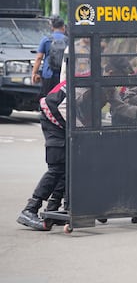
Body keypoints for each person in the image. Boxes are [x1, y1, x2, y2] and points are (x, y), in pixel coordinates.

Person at [17, 81, 67, 230]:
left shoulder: (98, 77)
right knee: (58, 165)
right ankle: (30, 209)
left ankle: (52, 208)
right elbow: (63, 108)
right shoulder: (86, 81)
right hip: (52, 113)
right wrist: (78, 128)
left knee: (69, 163)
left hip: (59, 114)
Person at [31, 17, 67, 98]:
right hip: (63, 75)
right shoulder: (67, 40)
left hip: (48, 74)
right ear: (63, 27)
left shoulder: (46, 39)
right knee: (61, 98)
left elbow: (39, 58)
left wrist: (34, 73)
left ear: (52, 27)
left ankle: (46, 110)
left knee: (47, 97)